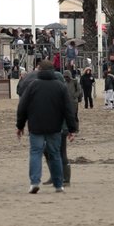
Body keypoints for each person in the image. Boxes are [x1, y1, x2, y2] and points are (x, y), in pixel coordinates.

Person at [16, 61, 79, 194]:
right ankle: (58, 184)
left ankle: (34, 182)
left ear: (40, 71)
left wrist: (20, 126)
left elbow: (22, 107)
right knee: (55, 154)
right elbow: (68, 109)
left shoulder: (33, 85)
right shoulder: (60, 87)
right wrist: (72, 129)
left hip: (36, 126)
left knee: (35, 153)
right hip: (54, 126)